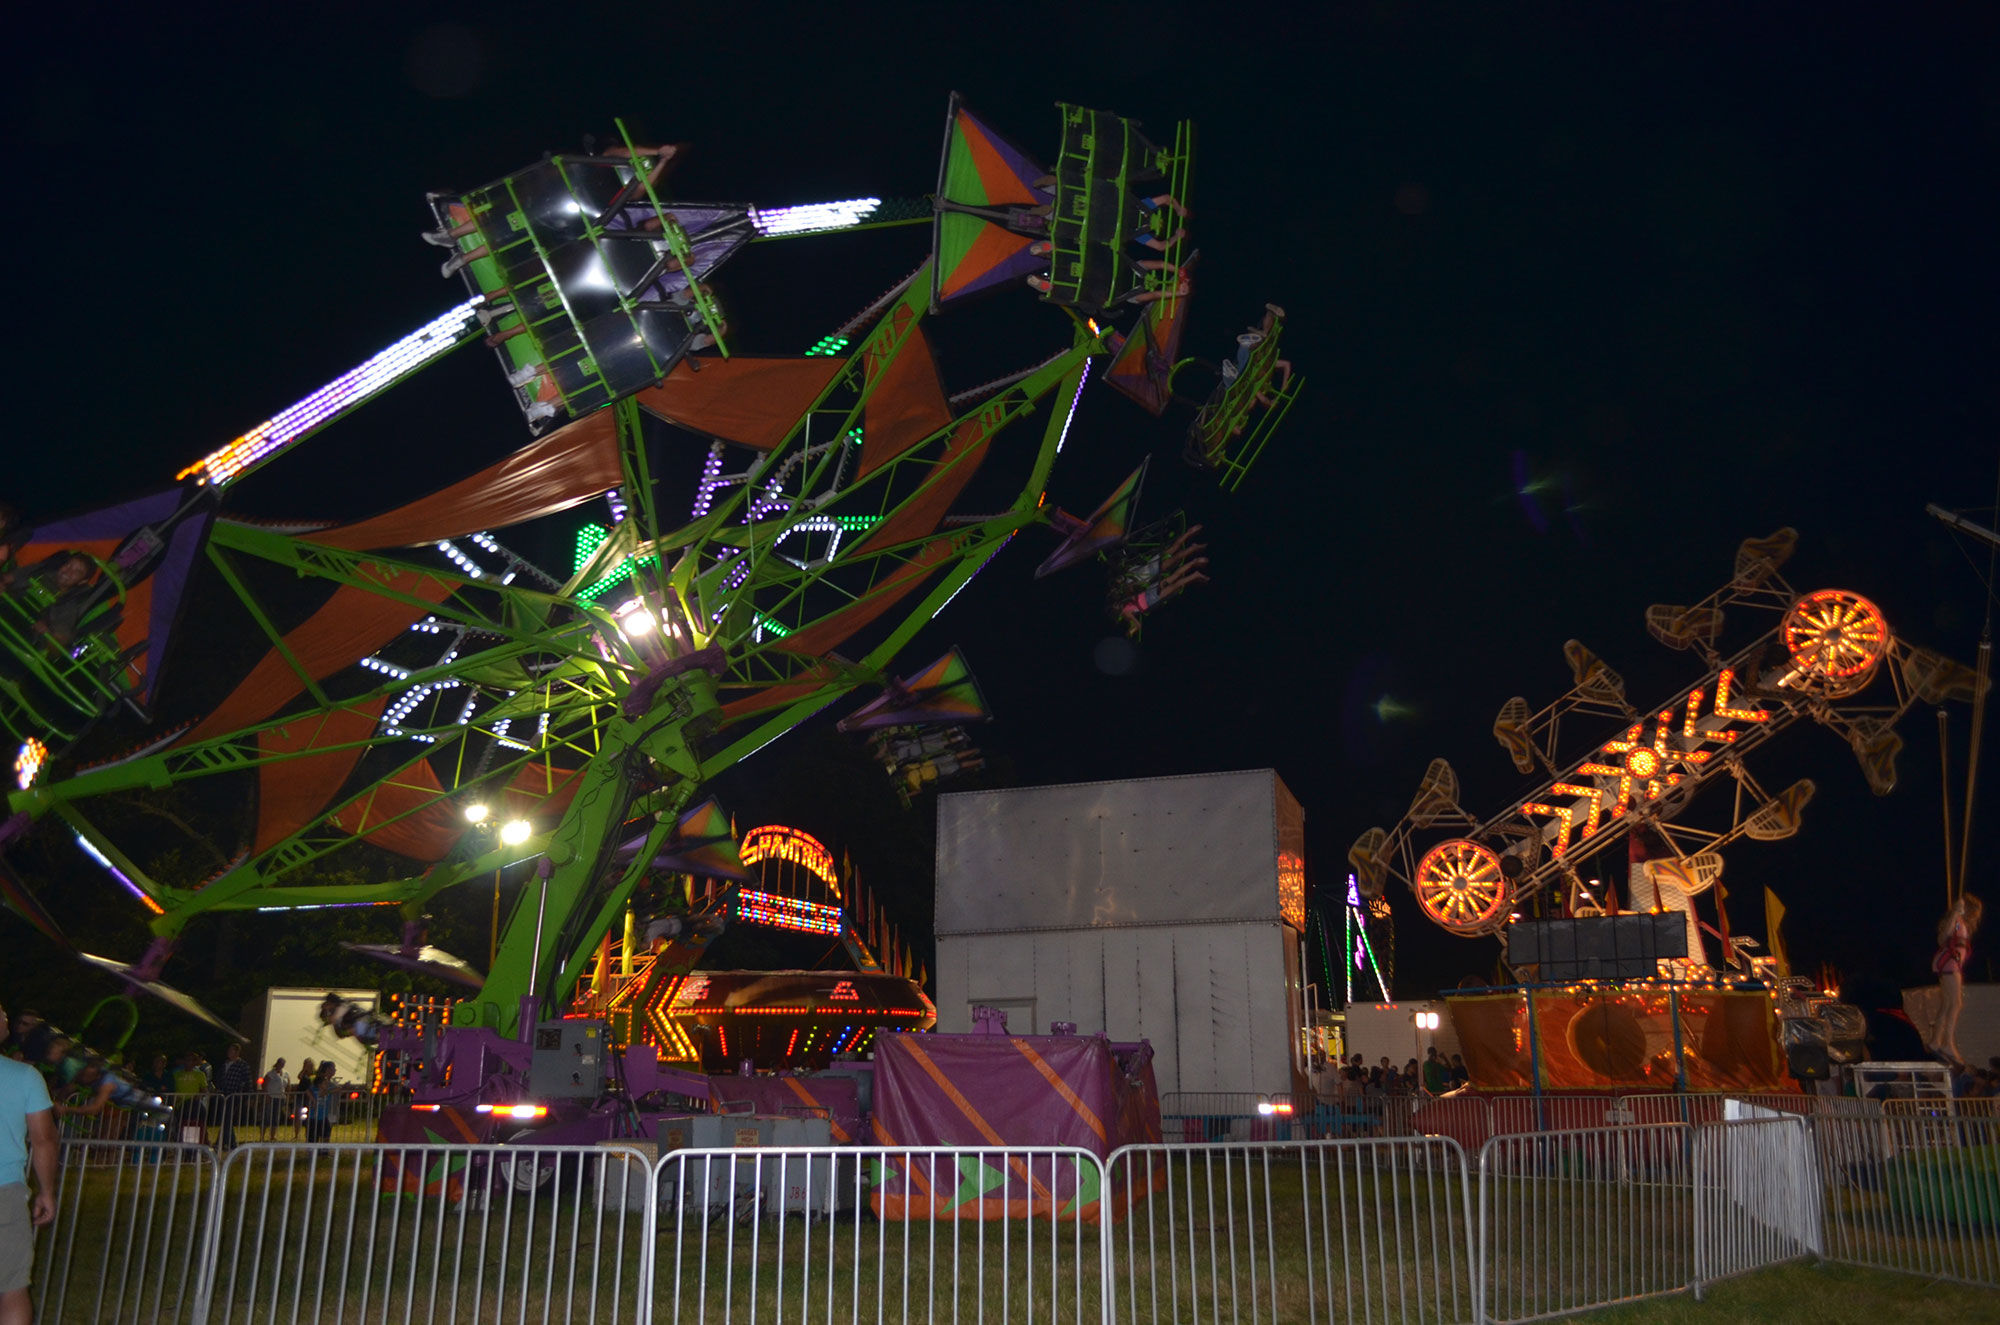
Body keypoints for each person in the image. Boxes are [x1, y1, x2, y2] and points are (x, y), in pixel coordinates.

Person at [0, 1000, 58, 1325]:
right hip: (4, 1193)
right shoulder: (25, 1077)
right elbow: (44, 1139)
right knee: (11, 1288)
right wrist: (46, 1190)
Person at [1932, 893, 1983, 1066]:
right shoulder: (1957, 922)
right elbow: (1943, 937)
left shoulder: (1959, 923)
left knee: (1947, 1004)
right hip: (1950, 964)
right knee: (1955, 1004)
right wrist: (1955, 912)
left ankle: (1937, 1040)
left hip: (1949, 964)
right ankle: (1947, 1043)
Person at [215, 1043, 254, 1149]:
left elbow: (248, 1081)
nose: (228, 1052)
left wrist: (249, 1096)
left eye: (231, 1050)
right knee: (225, 1118)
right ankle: (227, 1141)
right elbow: (220, 1077)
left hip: (234, 1094)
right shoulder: (225, 1064)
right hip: (224, 1094)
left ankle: (225, 1142)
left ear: (236, 1052)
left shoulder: (243, 1065)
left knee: (227, 1117)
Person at [261, 1058, 289, 1141]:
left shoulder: (286, 1074)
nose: (281, 1065)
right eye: (280, 1063)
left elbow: (288, 1085)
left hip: (280, 1097)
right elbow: (264, 1084)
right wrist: (266, 1095)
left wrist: (287, 1095)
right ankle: (262, 1135)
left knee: (276, 1117)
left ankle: (272, 1135)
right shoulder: (270, 1074)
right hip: (271, 1097)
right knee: (267, 1116)